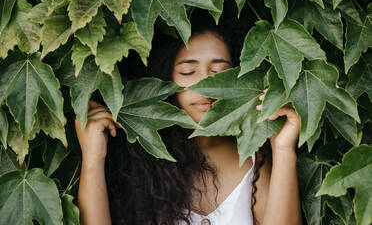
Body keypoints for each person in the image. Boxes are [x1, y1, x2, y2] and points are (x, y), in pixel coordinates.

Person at [75, 24, 303, 225]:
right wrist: (93, 159)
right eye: (188, 71)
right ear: (165, 79)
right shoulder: (137, 160)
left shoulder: (253, 159)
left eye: (219, 72)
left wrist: (283, 149)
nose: (205, 83)